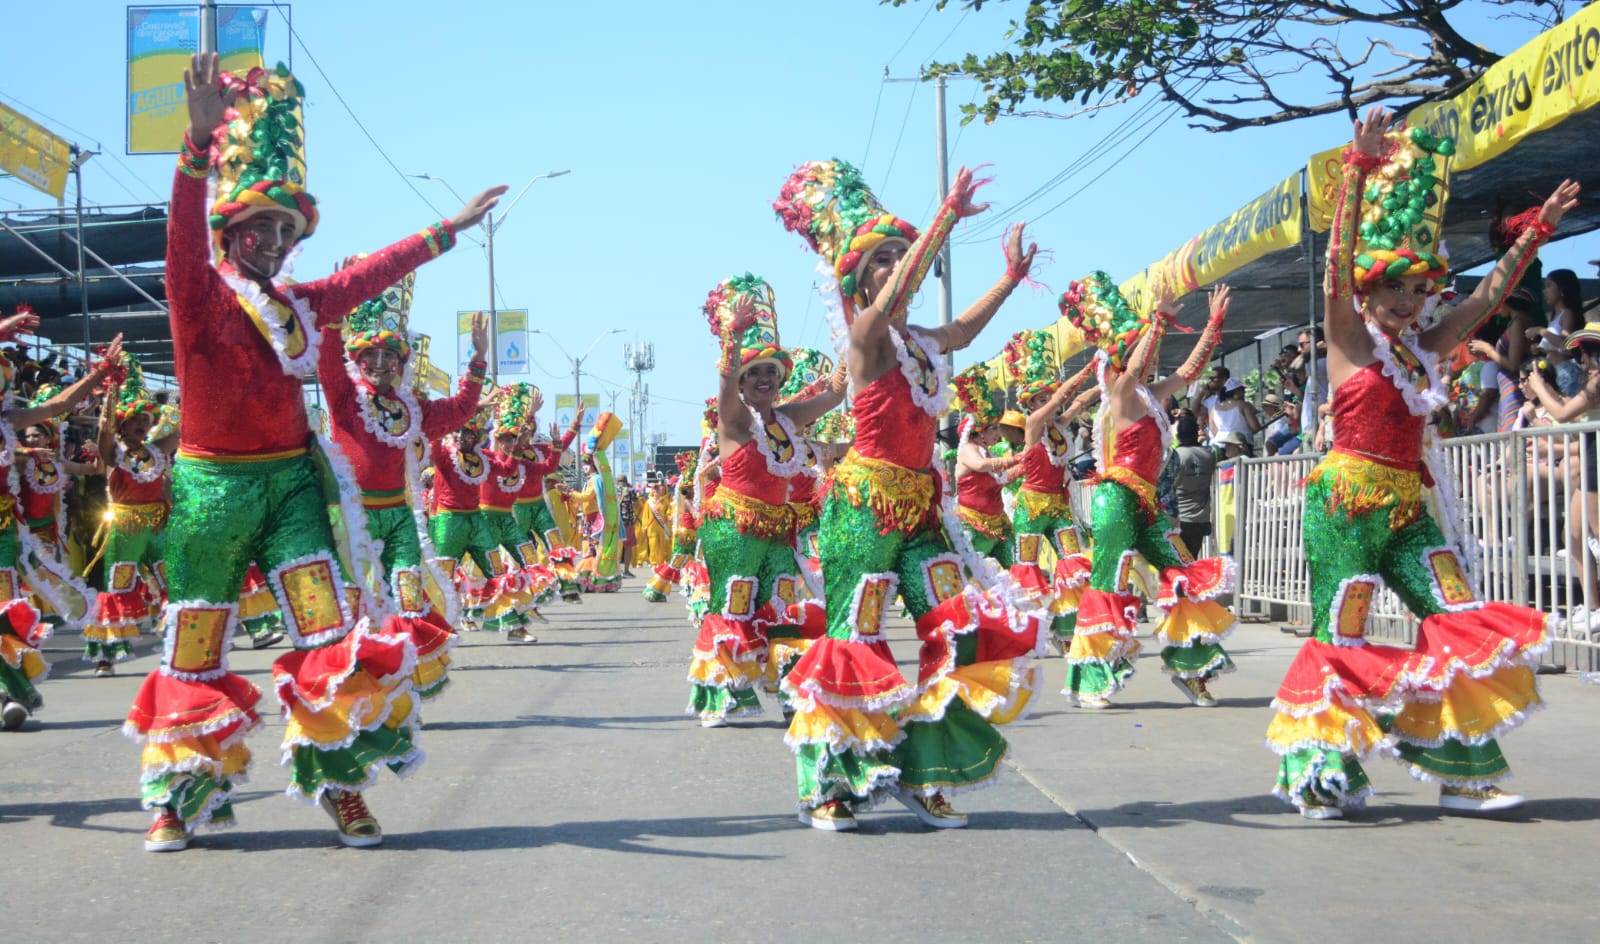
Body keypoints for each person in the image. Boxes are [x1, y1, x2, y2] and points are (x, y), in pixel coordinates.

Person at [124, 54, 507, 852]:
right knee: (194, 643)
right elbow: (179, 236)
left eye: (286, 230)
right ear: (232, 233)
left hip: (293, 487)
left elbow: (369, 275)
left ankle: (341, 788)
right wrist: (195, 150)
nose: (272, 241)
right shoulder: (198, 295)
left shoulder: (301, 307)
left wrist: (453, 230)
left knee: (326, 639)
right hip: (209, 491)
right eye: (258, 227)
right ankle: (179, 793)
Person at [1264, 106, 1577, 819]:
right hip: (1344, 506)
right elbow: (1333, 272)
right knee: (1341, 629)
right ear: (1369, 292)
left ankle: (1463, 773)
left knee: (1456, 615)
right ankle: (1321, 770)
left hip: (1408, 508)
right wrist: (1354, 173)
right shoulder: (1347, 337)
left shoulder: (1425, 347)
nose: (1408, 302)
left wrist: (1536, 231)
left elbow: (1488, 297)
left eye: (1416, 289)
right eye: (1393, 289)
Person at [774, 158, 1043, 831]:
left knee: (957, 627)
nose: (897, 267)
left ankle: (922, 768)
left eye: (902, 254)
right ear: (857, 279)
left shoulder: (919, 342)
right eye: (882, 259)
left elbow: (963, 333)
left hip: (922, 510)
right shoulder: (866, 337)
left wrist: (1010, 280)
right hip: (863, 512)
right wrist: (945, 216)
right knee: (855, 640)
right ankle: (830, 782)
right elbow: (895, 296)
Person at [1060, 275, 1237, 709]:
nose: (1150, 354)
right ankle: (1089, 681)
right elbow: (1137, 368)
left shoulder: (1150, 395)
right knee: (1107, 583)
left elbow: (1189, 372)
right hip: (1116, 499)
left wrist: (1214, 325)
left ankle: (1192, 671)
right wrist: (1158, 320)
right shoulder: (1122, 394)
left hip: (1147, 504)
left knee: (1183, 577)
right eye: (1141, 347)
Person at [687, 275, 842, 727]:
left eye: (770, 372)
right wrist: (732, 340)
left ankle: (792, 688)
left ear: (780, 379)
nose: (762, 379)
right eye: (752, 372)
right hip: (733, 530)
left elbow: (833, 393)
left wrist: (847, 322)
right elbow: (724, 383)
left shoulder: (788, 419)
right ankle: (719, 694)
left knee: (785, 604)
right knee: (735, 604)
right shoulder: (734, 420)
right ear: (740, 380)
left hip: (777, 529)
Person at [316, 286, 489, 687]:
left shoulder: (413, 409)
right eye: (370, 356)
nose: (379, 363)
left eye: (389, 356)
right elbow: (327, 362)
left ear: (399, 363)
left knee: (410, 597)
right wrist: (337, 307)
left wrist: (477, 360)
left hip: (397, 518)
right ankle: (354, 686)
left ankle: (406, 679)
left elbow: (461, 410)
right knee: (353, 606)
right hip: (351, 520)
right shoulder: (344, 398)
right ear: (358, 361)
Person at [0, 315, 124, 730]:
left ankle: (10, 693)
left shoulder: (8, 425)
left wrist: (100, 375)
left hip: (3, 537)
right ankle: (15, 691)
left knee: (2, 614)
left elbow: (58, 406)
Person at [1003, 333, 1099, 646]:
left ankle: (1066, 628)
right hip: (1031, 507)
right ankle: (1018, 633)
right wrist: (1086, 370)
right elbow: (1062, 400)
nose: (1048, 403)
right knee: (1026, 568)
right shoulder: (1032, 426)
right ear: (1030, 405)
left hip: (1058, 505)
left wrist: (1109, 375)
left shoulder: (1059, 427)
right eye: (1040, 400)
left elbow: (1080, 403)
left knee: (1073, 562)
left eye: (1047, 398)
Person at [81, 355, 172, 676]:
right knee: (116, 586)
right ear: (124, 424)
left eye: (148, 419)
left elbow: (187, 429)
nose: (144, 424)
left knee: (171, 582)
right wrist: (111, 390)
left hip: (157, 526)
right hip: (126, 526)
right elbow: (105, 431)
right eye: (138, 419)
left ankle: (177, 645)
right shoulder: (114, 452)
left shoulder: (157, 450)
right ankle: (106, 654)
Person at [1172, 414, 1216, 557]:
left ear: (1178, 436)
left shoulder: (1177, 456)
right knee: (1191, 561)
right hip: (1200, 518)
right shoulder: (1209, 454)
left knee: (1176, 564)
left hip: (1179, 518)